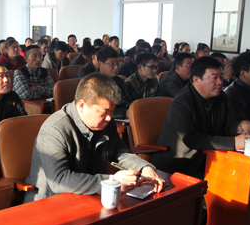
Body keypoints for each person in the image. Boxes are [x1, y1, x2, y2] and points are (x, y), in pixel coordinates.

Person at [24, 72, 165, 203]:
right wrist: (111, 181)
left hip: (89, 195)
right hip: (49, 201)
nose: (109, 118)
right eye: (104, 112)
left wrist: (144, 168)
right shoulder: (54, 129)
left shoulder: (106, 123)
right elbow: (59, 180)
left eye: (112, 111)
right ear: (82, 106)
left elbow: (119, 152)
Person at [153, 57, 250, 180]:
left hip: (208, 158)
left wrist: (239, 127)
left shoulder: (220, 97)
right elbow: (192, 139)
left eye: (221, 77)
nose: (220, 82)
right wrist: (233, 142)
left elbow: (228, 123)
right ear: (196, 80)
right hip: (181, 164)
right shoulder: (182, 102)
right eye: (214, 78)